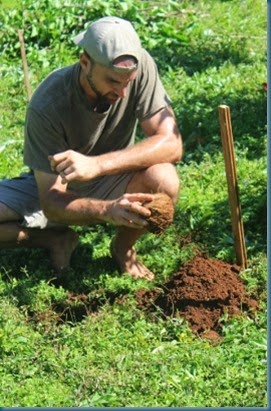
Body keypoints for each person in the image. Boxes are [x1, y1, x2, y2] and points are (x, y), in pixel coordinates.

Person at [0, 16, 182, 280]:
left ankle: (123, 248)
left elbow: (172, 143)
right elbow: (51, 202)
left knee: (164, 179)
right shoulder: (48, 104)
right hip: (54, 186)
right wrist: (108, 211)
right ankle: (54, 239)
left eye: (127, 82)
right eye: (112, 81)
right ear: (85, 62)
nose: (121, 92)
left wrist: (97, 165)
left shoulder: (140, 68)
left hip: (114, 179)